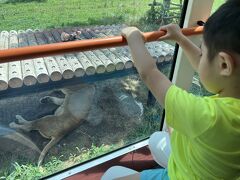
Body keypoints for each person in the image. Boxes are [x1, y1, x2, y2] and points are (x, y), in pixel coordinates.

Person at [101, 0, 240, 179]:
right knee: (156, 138)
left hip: (182, 175)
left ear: (224, 64)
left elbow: (149, 73)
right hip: (211, 168)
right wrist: (180, 38)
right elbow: (207, 69)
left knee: (110, 175)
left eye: (203, 52)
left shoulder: (208, 117)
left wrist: (134, 36)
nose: (200, 58)